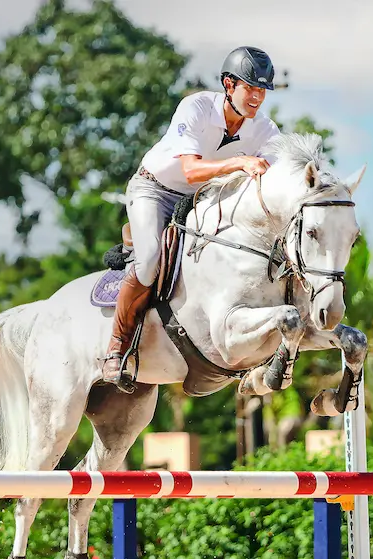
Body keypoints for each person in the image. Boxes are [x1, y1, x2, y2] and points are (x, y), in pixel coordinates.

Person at [100, 45, 283, 391]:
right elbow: (190, 169)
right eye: (250, 87)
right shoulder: (197, 107)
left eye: (262, 90)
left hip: (198, 199)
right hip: (153, 190)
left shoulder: (265, 129)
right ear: (229, 84)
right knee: (150, 260)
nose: (257, 97)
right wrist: (242, 162)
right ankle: (117, 347)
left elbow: (277, 171)